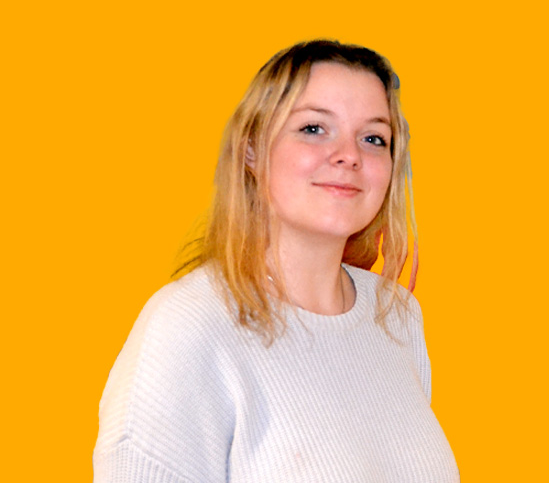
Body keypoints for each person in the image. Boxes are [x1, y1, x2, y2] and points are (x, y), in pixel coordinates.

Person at [93, 40, 460, 482]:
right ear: (251, 148)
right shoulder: (190, 325)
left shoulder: (395, 317)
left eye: (373, 138)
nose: (349, 155)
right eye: (314, 128)